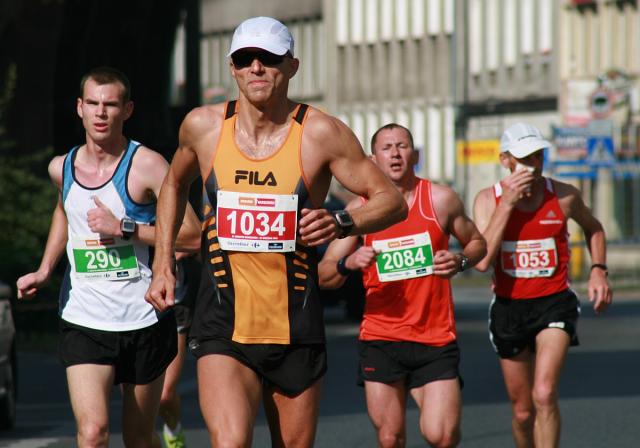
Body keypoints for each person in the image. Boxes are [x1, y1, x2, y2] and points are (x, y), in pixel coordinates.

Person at [144, 16, 407, 448]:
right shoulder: (203, 127)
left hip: (295, 323)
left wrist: (341, 222)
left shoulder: (321, 133)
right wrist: (162, 264)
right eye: (245, 59)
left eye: (268, 58)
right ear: (232, 68)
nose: (256, 67)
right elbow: (173, 183)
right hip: (223, 321)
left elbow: (391, 200)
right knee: (231, 442)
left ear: (292, 66)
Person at [16, 66, 200, 448]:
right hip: (84, 318)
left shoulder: (148, 165)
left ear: (127, 110)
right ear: (79, 108)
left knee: (138, 437)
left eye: (111, 105)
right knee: (92, 433)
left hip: (144, 316)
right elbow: (65, 211)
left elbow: (192, 235)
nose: (101, 113)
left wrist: (124, 228)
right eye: (93, 103)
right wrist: (45, 269)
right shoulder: (61, 168)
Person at [318, 123, 487, 447]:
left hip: (435, 336)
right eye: (386, 148)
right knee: (390, 437)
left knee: (442, 435)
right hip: (381, 337)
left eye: (402, 146)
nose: (395, 154)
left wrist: (460, 261)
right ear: (373, 159)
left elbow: (478, 243)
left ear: (415, 154)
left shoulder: (440, 199)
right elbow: (324, 274)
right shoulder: (359, 211)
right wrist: (347, 263)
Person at [472, 122, 613, 448]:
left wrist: (598, 270)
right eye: (525, 158)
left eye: (538, 156)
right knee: (523, 412)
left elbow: (594, 228)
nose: (533, 165)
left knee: (545, 393)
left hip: (554, 302)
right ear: (506, 160)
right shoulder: (487, 200)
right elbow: (482, 262)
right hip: (509, 308)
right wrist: (507, 204)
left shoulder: (564, 196)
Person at [157, 252, 200, 448]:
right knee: (137, 407)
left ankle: (173, 431)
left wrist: (169, 248)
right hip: (128, 306)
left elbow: (195, 240)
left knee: (164, 395)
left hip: (173, 301)